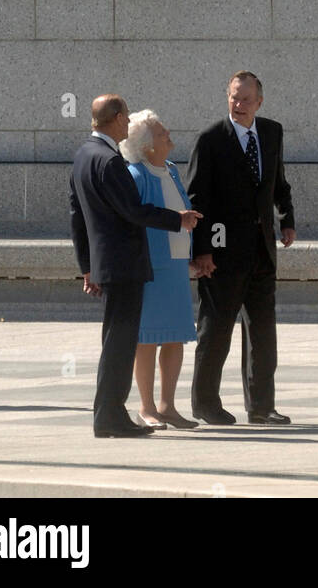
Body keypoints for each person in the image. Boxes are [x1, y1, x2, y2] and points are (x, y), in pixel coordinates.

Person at [69, 94, 201, 438]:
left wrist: (87, 265)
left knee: (116, 342)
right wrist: (179, 219)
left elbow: (77, 218)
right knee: (121, 344)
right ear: (114, 118)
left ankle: (109, 414)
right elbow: (134, 211)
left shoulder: (84, 155)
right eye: (125, 117)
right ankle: (111, 416)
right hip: (124, 265)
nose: (128, 123)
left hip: (108, 265)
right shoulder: (111, 162)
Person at [187, 71, 296, 426]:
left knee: (263, 333)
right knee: (215, 330)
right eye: (234, 97)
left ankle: (262, 406)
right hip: (221, 254)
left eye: (246, 99)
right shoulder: (210, 139)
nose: (239, 105)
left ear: (259, 102)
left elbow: (278, 182)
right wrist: (201, 252)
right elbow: (196, 198)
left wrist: (287, 218)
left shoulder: (271, 132)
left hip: (262, 250)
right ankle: (205, 403)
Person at [121, 110, 199, 430]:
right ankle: (146, 406)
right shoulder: (136, 174)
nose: (169, 134)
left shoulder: (170, 170)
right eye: (162, 132)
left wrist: (191, 257)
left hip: (177, 265)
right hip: (152, 268)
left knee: (175, 337)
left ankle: (168, 405)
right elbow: (135, 220)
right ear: (147, 145)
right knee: (147, 338)